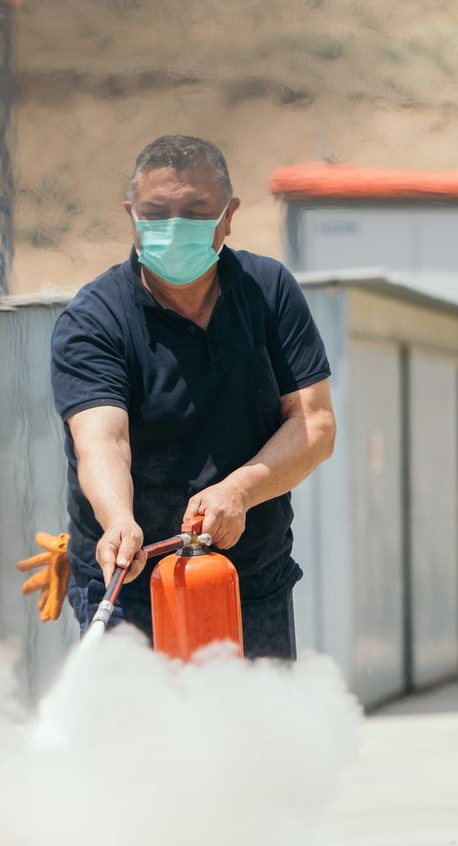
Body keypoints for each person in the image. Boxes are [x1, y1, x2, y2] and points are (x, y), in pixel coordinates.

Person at [49, 134, 338, 660]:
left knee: (257, 736)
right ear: (131, 215)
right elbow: (102, 442)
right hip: (129, 585)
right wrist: (118, 518)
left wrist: (241, 490)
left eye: (195, 210)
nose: (174, 227)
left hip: (252, 580)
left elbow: (314, 425)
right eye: (156, 212)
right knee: (145, 740)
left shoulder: (269, 292)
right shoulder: (94, 319)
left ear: (228, 216)